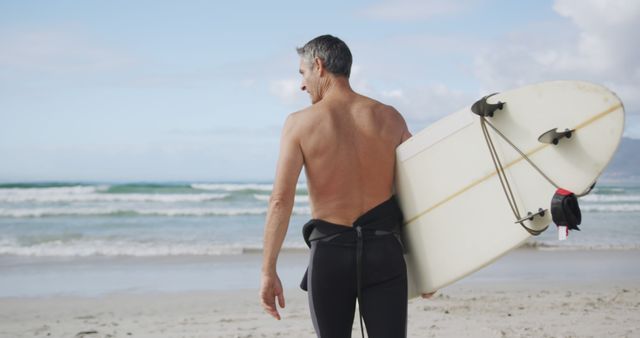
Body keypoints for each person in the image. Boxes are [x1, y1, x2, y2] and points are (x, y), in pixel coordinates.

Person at [259, 35, 434, 338]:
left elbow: (280, 200)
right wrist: (432, 266)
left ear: (319, 65)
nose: (302, 84)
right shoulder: (390, 117)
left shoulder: (299, 124)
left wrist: (267, 271)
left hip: (330, 255)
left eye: (302, 74)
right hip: (384, 252)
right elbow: (422, 191)